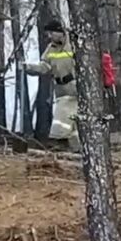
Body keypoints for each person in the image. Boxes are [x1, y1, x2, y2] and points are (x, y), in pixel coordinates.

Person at [23, 19, 80, 151]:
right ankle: (77, 149)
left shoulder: (73, 44)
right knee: (72, 122)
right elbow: (44, 66)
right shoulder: (51, 48)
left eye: (51, 33)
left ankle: (58, 139)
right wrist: (28, 68)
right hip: (60, 90)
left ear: (59, 32)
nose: (49, 37)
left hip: (73, 88)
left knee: (62, 118)